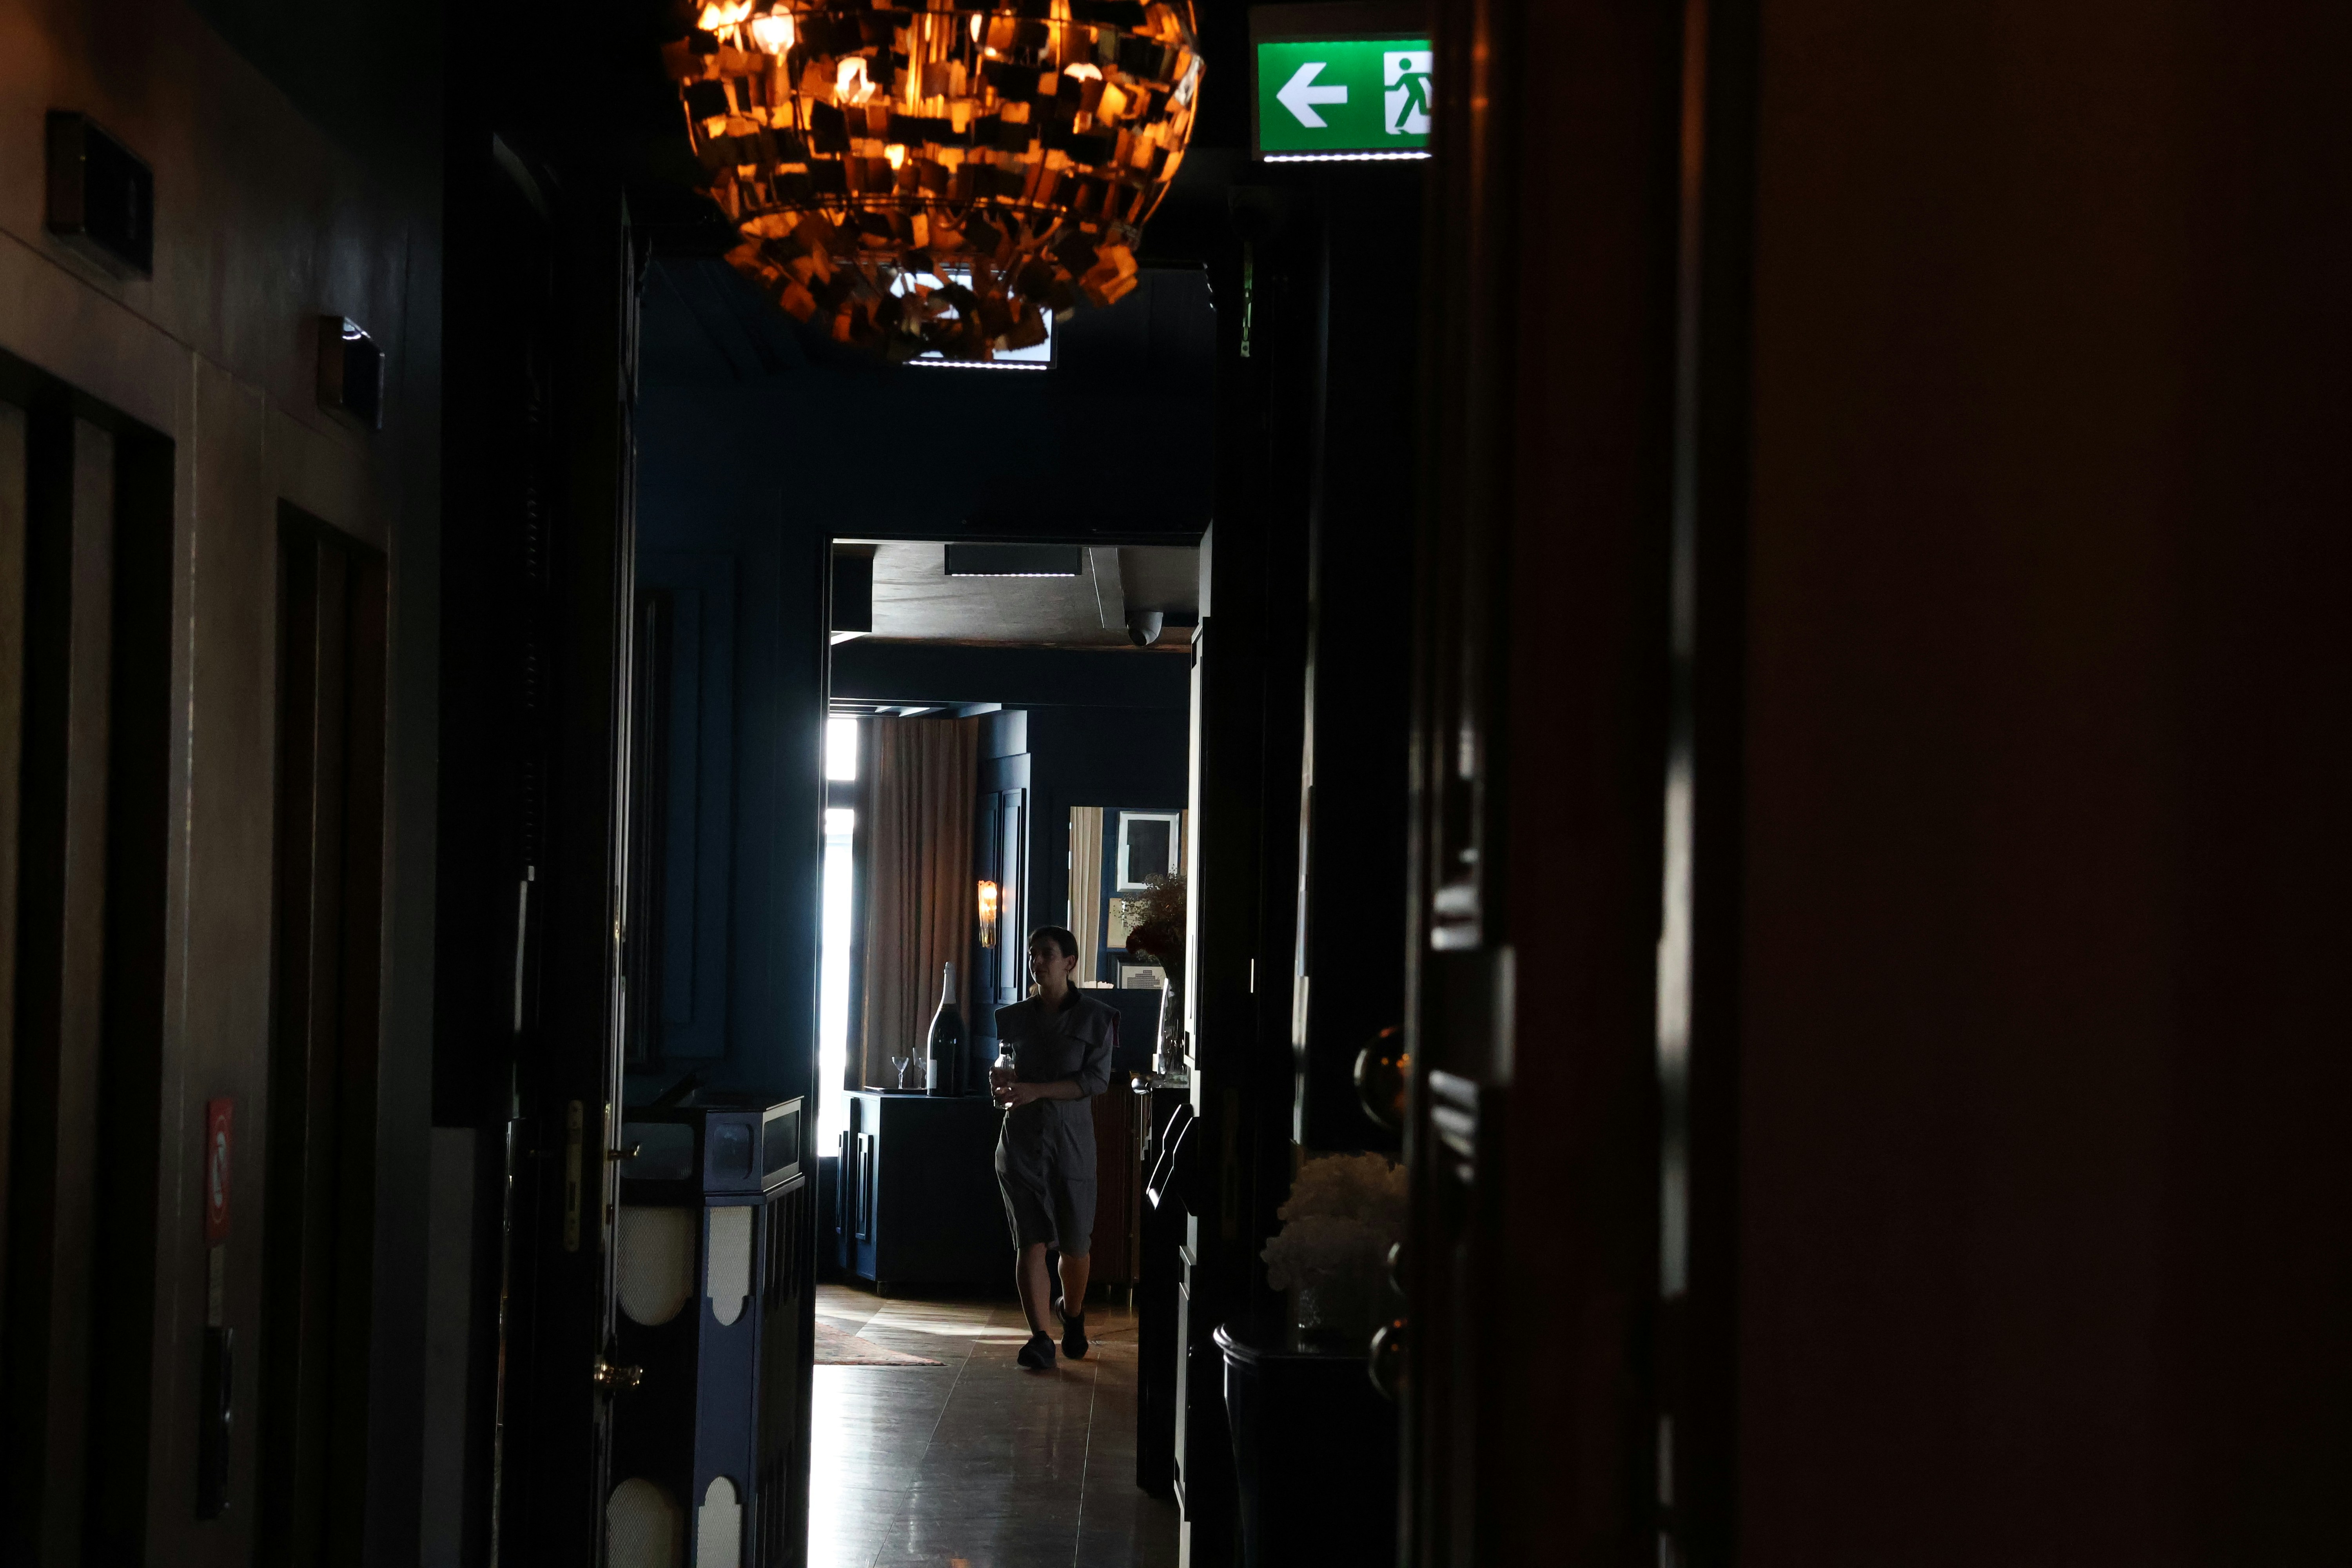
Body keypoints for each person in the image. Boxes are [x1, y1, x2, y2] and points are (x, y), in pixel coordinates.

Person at [991, 925, 1118, 1369]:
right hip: (1020, 1143)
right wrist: (1000, 1080)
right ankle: (1040, 1338)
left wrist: (1037, 1090)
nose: (1036, 962)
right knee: (1030, 1242)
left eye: (1046, 953)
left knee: (1075, 1245)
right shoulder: (1014, 1017)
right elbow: (1005, 1065)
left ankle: (1074, 1314)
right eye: (1031, 954)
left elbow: (1095, 1081)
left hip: (1071, 1144)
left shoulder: (1098, 1018)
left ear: (1070, 962)